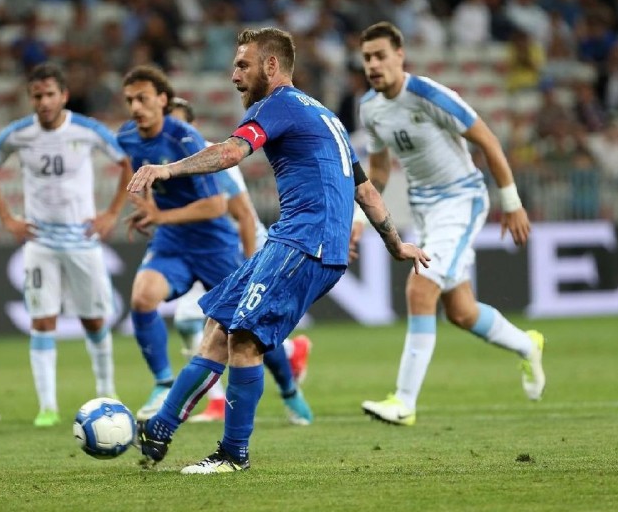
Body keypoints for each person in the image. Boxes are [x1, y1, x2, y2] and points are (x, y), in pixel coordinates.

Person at [128, 27, 429, 474]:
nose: (234, 76)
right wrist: (395, 243)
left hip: (305, 242)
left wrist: (165, 170)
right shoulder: (325, 115)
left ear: (271, 66)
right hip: (299, 240)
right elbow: (366, 192)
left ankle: (233, 454)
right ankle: (159, 431)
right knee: (218, 327)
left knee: (245, 340)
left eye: (243, 65)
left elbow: (232, 154)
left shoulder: (279, 104)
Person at [352, 22, 546, 428]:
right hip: (425, 208)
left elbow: (488, 140)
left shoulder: (428, 95)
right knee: (461, 311)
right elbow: (379, 170)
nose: (373, 64)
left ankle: (404, 402)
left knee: (420, 286)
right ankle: (527, 345)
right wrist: (359, 217)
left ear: (400, 55)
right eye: (367, 57)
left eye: (380, 55)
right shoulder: (370, 107)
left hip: (461, 200)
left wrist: (511, 202)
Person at [0, 62, 132, 427]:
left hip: (81, 240)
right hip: (40, 242)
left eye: (49, 95)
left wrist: (110, 213)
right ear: (30, 98)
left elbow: (126, 162)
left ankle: (107, 393)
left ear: (63, 96)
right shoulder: (18, 134)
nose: (44, 102)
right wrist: (7, 218)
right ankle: (47, 406)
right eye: (37, 96)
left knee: (94, 320)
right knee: (42, 321)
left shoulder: (87, 130)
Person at [166, 96, 314, 425]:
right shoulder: (167, 162)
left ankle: (288, 381)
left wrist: (249, 270)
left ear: (191, 127)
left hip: (244, 249)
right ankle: (282, 366)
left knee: (245, 326)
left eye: (179, 126)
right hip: (210, 254)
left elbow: (245, 216)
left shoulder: (208, 160)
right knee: (194, 321)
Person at [115, 65, 247, 422]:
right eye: (129, 100)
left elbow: (219, 206)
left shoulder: (188, 140)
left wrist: (161, 217)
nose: (135, 107)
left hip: (214, 245)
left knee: (245, 328)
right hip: (173, 243)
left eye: (142, 98)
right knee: (142, 297)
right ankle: (162, 382)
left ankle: (289, 384)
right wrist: (148, 209)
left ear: (162, 99)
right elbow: (141, 174)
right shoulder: (127, 137)